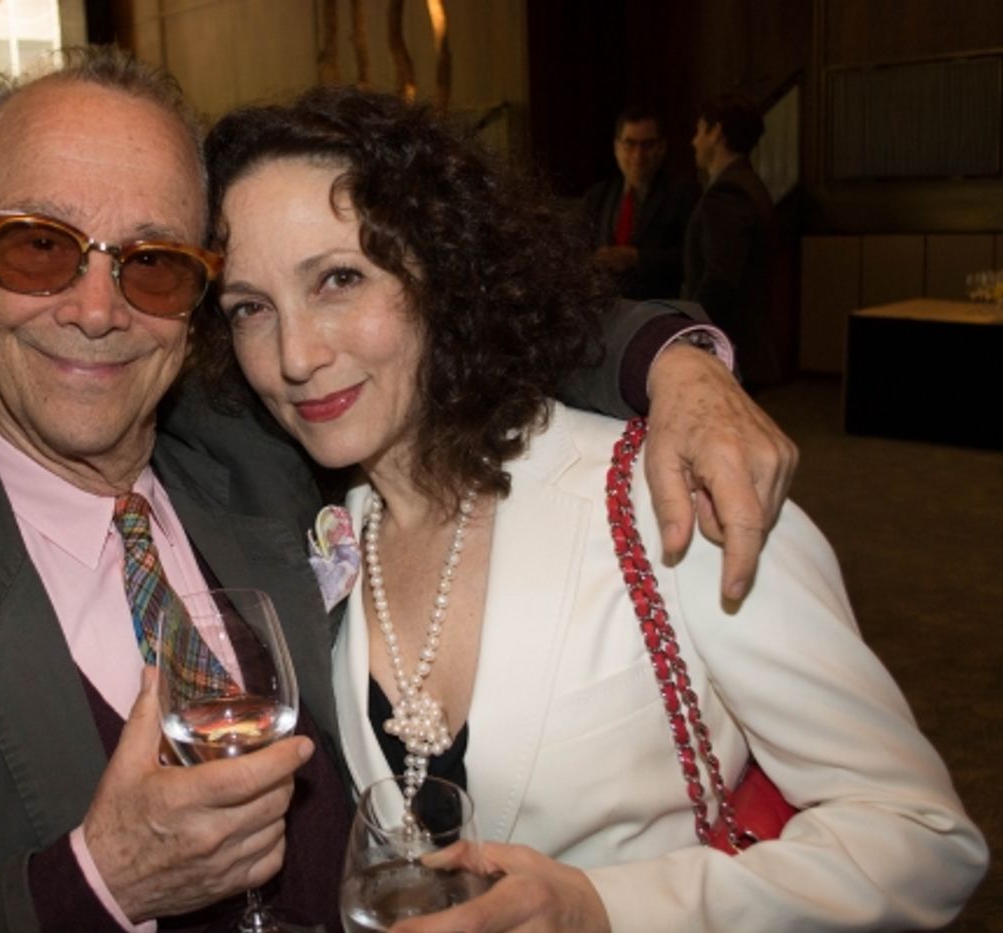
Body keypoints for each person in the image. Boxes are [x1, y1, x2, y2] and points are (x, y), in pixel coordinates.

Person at [0, 48, 796, 932]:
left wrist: (675, 364)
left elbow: (463, 325)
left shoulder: (263, 445)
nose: (96, 309)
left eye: (149, 263)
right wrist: (94, 885)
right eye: (39, 248)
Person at [198, 85, 987, 932]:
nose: (294, 354)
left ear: (445, 270)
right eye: (251, 308)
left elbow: (925, 839)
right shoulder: (320, 531)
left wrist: (606, 908)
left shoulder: (666, 490)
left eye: (340, 279)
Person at [684, 93, 781, 392]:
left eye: (700, 130)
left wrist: (689, 332)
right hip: (745, 344)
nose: (694, 141)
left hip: (731, 347)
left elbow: (722, 278)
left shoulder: (727, 193)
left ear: (717, 132)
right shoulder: (748, 183)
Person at [581, 106, 698, 300]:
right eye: (630, 144)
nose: (638, 154)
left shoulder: (683, 194)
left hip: (657, 310)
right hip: (603, 308)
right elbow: (578, 249)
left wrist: (638, 259)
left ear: (662, 147)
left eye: (647, 145)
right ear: (616, 147)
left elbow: (692, 259)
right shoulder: (597, 196)